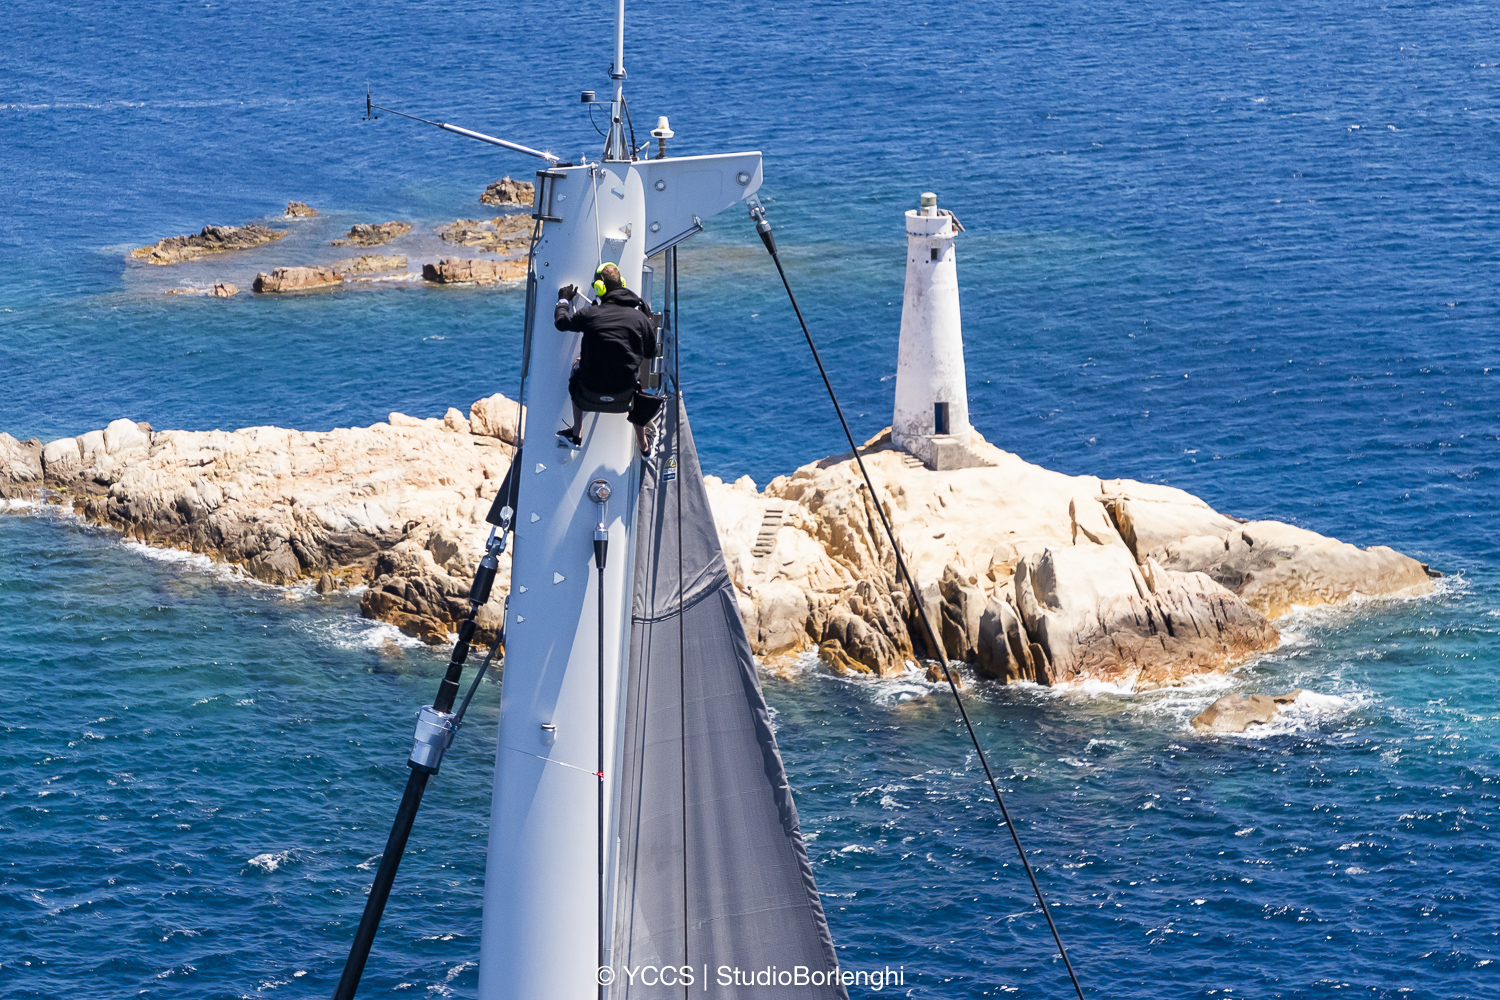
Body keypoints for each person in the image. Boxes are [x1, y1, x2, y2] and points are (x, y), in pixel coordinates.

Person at [554, 263, 659, 454]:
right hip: (625, 394)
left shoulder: (590, 314)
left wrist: (563, 299)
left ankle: (577, 433)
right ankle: (644, 445)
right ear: (623, 284)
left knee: (576, 366)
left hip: (588, 391)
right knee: (637, 381)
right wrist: (648, 320)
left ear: (599, 289)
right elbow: (651, 352)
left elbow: (562, 322)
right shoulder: (639, 318)